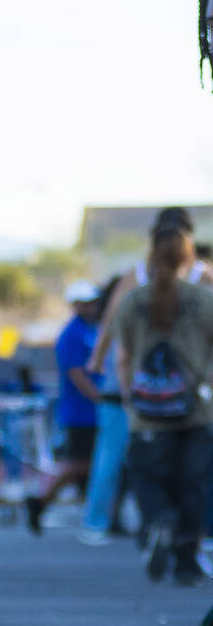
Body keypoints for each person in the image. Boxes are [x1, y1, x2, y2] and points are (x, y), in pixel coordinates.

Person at [114, 224, 213, 585]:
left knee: (148, 478)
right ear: (190, 256)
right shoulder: (204, 300)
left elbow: (123, 357)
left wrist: (129, 397)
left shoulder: (133, 301)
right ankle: (186, 562)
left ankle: (159, 519)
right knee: (194, 484)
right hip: (196, 409)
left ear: (151, 255)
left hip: (148, 414)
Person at [88, 207, 213, 378]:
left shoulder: (136, 277)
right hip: (192, 382)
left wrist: (98, 359)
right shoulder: (203, 276)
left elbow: (111, 319)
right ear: (188, 240)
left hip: (147, 384)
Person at [26, 281, 101, 535]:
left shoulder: (93, 329)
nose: (92, 306)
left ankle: (95, 510)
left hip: (93, 411)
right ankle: (41, 501)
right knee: (81, 464)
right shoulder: (72, 334)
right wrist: (99, 398)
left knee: (90, 464)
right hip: (82, 412)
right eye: (86, 302)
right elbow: (76, 373)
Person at [77, 275, 130, 546]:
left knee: (137, 467)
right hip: (118, 400)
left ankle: (111, 519)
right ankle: (95, 521)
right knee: (107, 464)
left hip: (128, 401)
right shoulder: (113, 326)